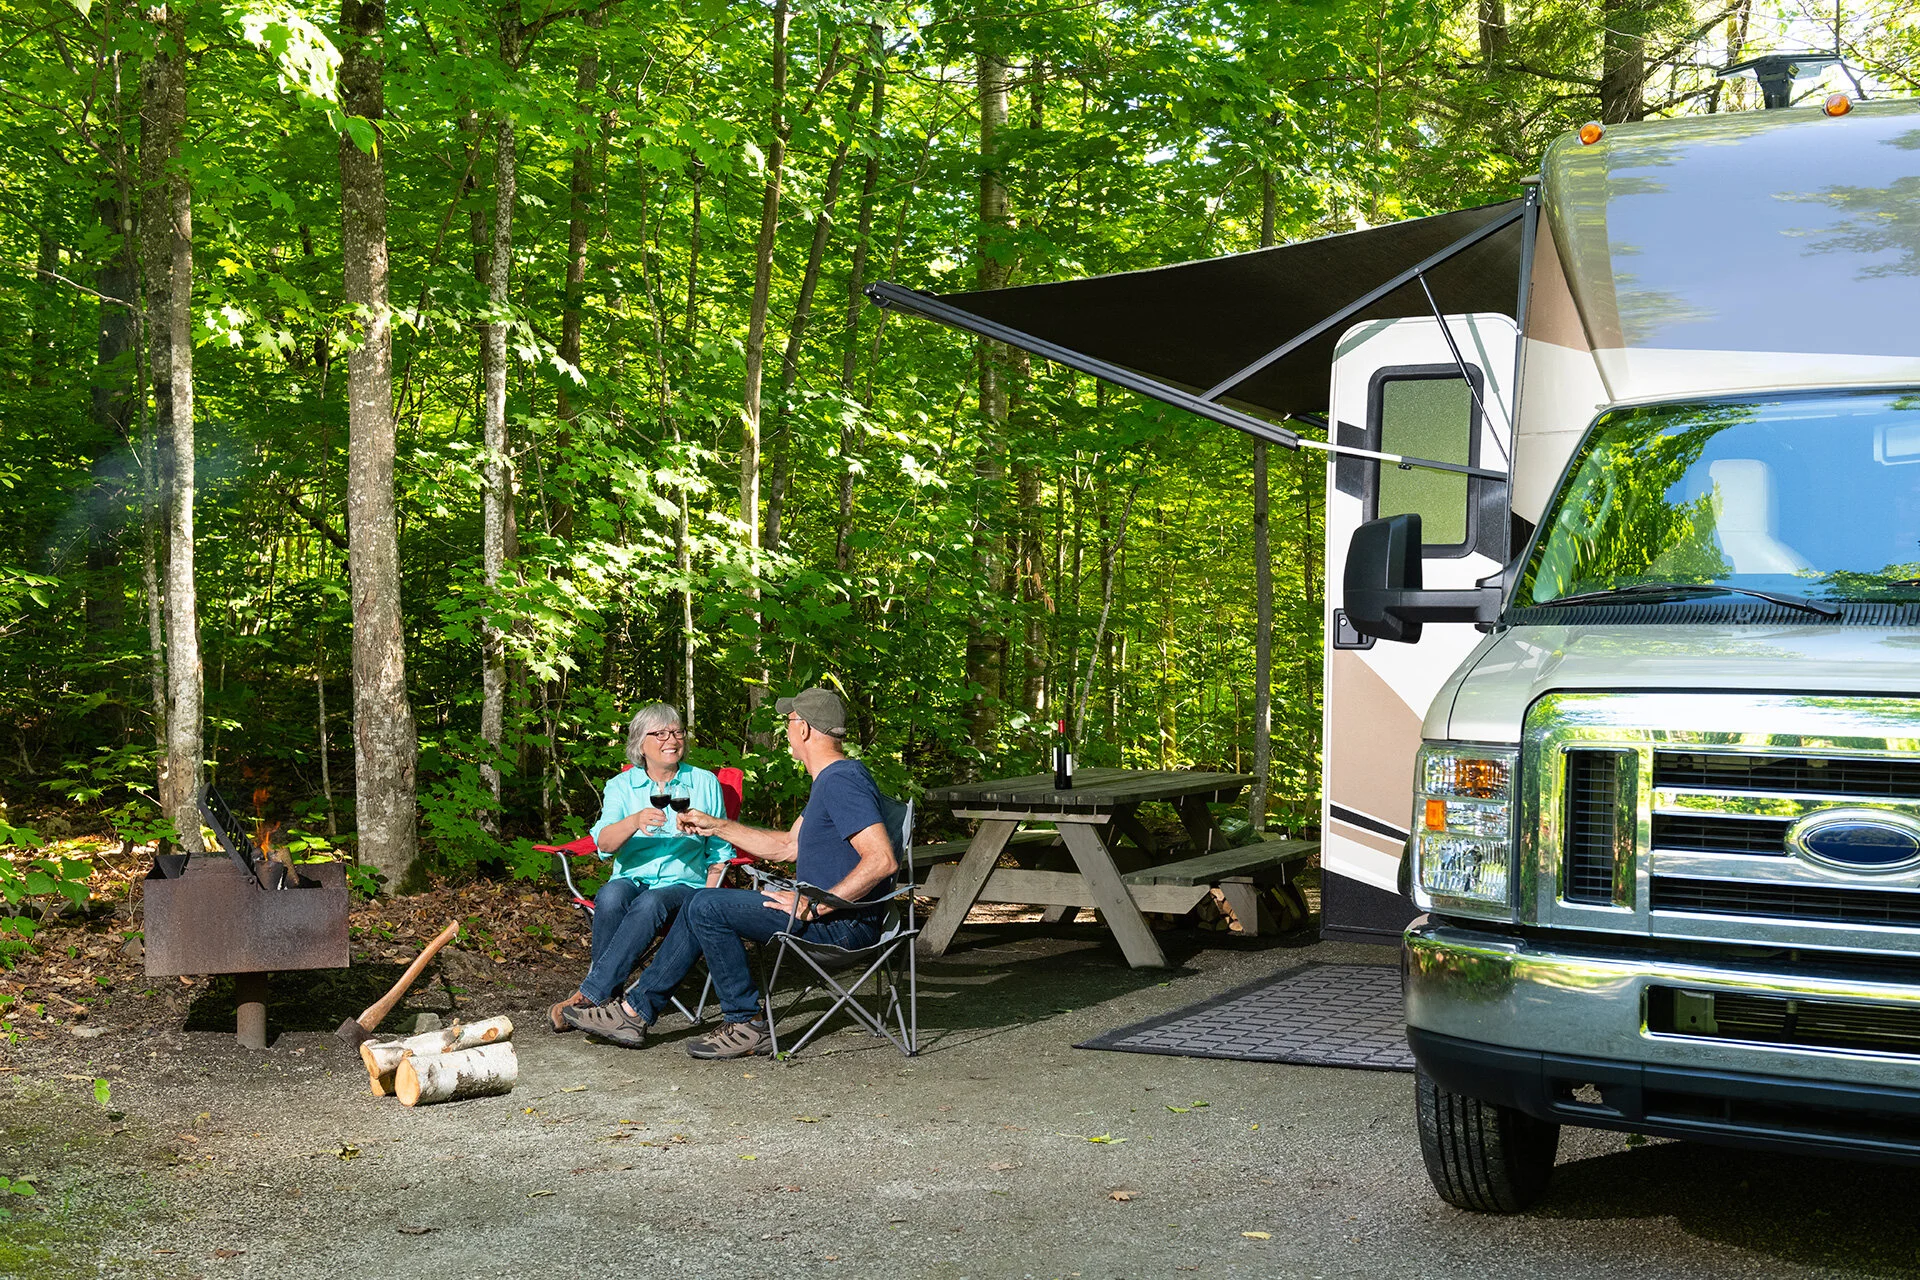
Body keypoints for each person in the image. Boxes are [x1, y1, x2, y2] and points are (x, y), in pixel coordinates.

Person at [565, 687, 897, 1058]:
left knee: (705, 904)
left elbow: (882, 860)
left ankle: (744, 1023)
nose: (786, 731)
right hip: (826, 912)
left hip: (839, 924)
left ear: (803, 729)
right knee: (702, 902)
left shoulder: (841, 780)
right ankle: (633, 1013)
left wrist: (816, 906)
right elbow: (787, 846)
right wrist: (717, 826)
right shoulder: (830, 781)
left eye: (789, 722)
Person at [548, 703, 730, 1032]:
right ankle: (607, 999)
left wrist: (708, 896)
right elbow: (604, 844)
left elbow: (720, 850)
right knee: (610, 896)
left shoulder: (704, 783)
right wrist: (633, 821)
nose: (671, 739)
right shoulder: (621, 786)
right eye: (660, 733)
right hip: (631, 878)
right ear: (640, 744)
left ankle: (591, 996)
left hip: (684, 885)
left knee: (651, 902)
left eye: (677, 732)